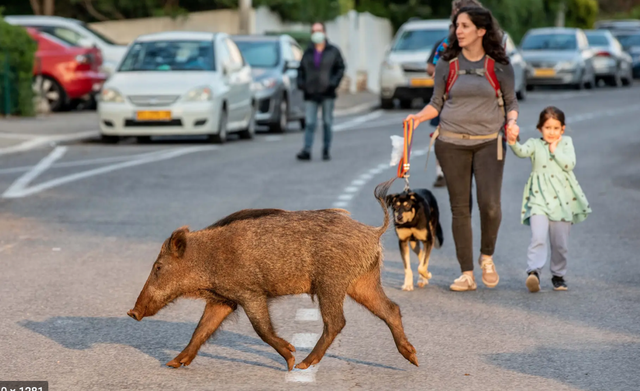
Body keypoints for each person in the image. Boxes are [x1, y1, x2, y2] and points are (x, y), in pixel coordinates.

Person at [404, 6, 519, 292]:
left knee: (490, 206)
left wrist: (513, 123)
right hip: (451, 143)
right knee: (460, 208)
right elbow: (437, 102)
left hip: (489, 142)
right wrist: (418, 117)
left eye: (465, 25)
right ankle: (466, 273)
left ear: (481, 31)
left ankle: (486, 257)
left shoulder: (499, 65)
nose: (459, 30)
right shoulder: (447, 64)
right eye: (457, 25)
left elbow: (511, 102)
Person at [507, 107, 591, 292]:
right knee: (538, 237)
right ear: (540, 129)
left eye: (555, 128)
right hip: (539, 199)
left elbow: (570, 164)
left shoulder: (566, 143)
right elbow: (521, 151)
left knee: (559, 243)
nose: (551, 132)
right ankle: (534, 272)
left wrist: (555, 150)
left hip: (562, 201)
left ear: (562, 129)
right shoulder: (534, 144)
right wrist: (512, 141)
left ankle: (558, 275)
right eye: (547, 128)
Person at [426, 0, 483, 188]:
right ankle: (442, 171)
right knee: (442, 135)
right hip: (448, 101)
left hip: (479, 109)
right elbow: (432, 68)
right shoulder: (445, 44)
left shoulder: (488, 43)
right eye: (457, 17)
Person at [296, 22, 346, 161]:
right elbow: (301, 69)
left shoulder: (333, 51)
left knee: (327, 122)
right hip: (310, 92)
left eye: (319, 30)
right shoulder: (308, 51)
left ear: (324, 32)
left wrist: (333, 83)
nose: (316, 34)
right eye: (313, 31)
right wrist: (301, 84)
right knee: (310, 122)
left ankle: (326, 149)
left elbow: (340, 68)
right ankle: (306, 149)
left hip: (327, 92)